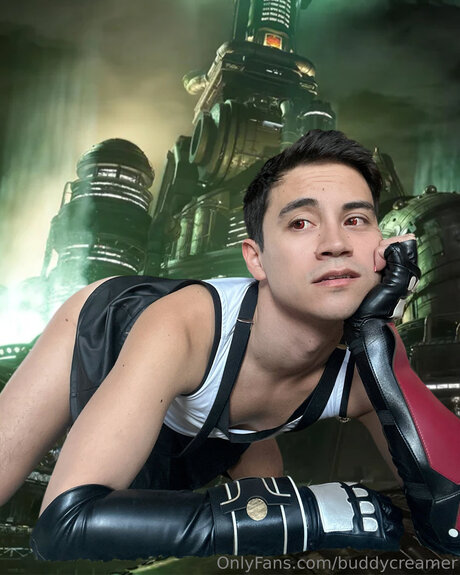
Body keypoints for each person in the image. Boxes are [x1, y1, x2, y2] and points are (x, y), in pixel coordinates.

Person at [0, 130, 458, 560]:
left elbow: (453, 523)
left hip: (228, 429)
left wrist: (377, 337)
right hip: (105, 338)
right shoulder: (182, 327)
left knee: (272, 545)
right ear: (256, 259)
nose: (335, 243)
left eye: (355, 220)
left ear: (383, 245)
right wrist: (305, 514)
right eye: (301, 222)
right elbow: (62, 527)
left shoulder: (372, 355)